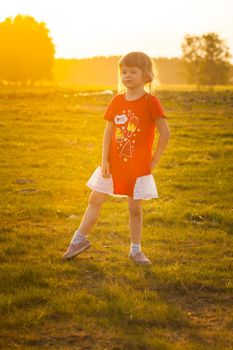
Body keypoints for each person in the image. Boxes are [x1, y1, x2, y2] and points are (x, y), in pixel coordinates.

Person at [62, 51, 170, 265]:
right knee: (95, 199)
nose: (126, 76)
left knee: (135, 209)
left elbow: (165, 133)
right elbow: (108, 132)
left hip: (138, 166)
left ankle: (136, 251)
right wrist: (104, 160)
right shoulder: (117, 101)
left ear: (146, 74)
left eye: (132, 71)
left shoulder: (151, 102)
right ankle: (78, 241)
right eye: (123, 72)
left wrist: (155, 160)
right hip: (113, 164)